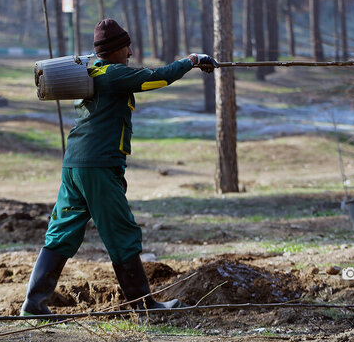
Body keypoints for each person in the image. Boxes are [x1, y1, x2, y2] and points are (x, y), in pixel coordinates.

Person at [21, 18, 218, 316]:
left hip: (75, 164)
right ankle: (144, 306)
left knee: (61, 231)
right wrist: (191, 61)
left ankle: (33, 304)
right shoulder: (113, 75)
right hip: (98, 166)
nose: (130, 51)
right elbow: (155, 78)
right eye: (126, 46)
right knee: (121, 232)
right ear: (114, 50)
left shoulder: (90, 70)